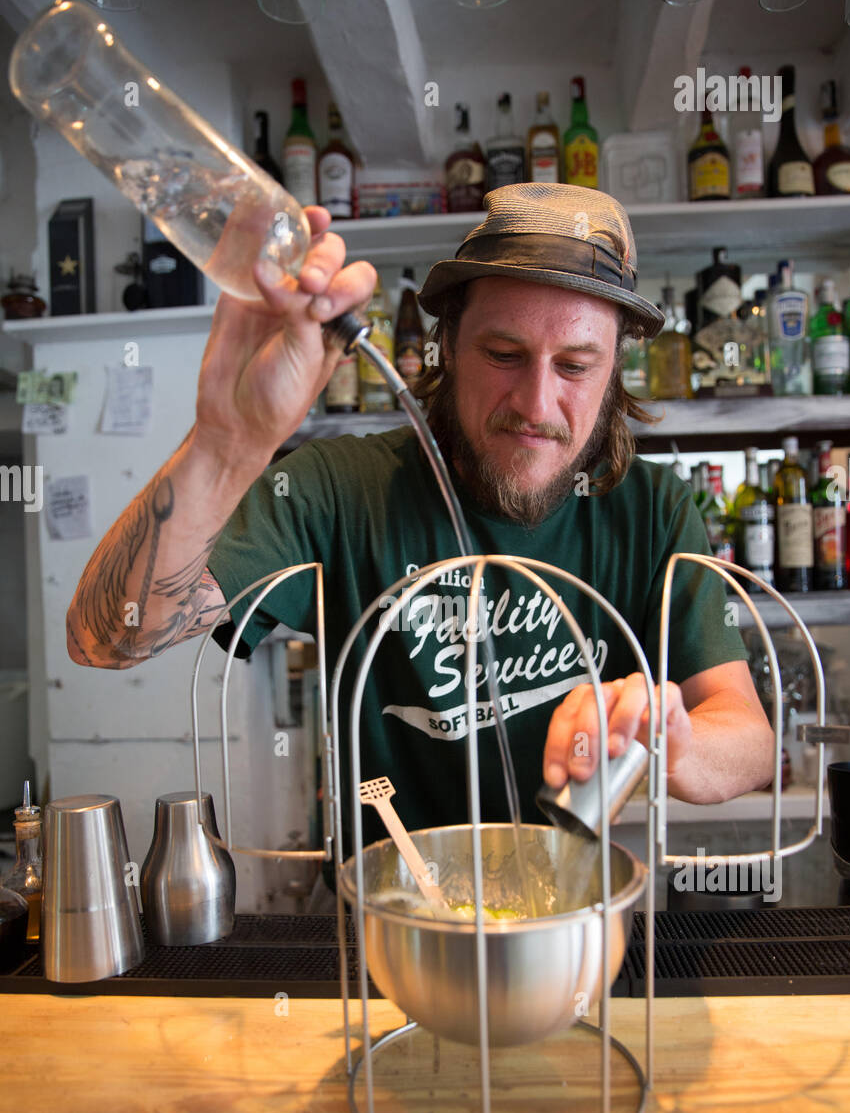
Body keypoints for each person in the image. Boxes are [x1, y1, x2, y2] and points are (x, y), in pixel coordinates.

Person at [66, 184, 774, 909]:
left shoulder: (652, 510)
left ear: (614, 369)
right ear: (448, 347)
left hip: (570, 931)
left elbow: (750, 742)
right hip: (378, 937)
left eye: (574, 366)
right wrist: (226, 441)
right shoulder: (339, 489)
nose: (535, 404)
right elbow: (105, 637)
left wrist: (672, 735)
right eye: (504, 353)